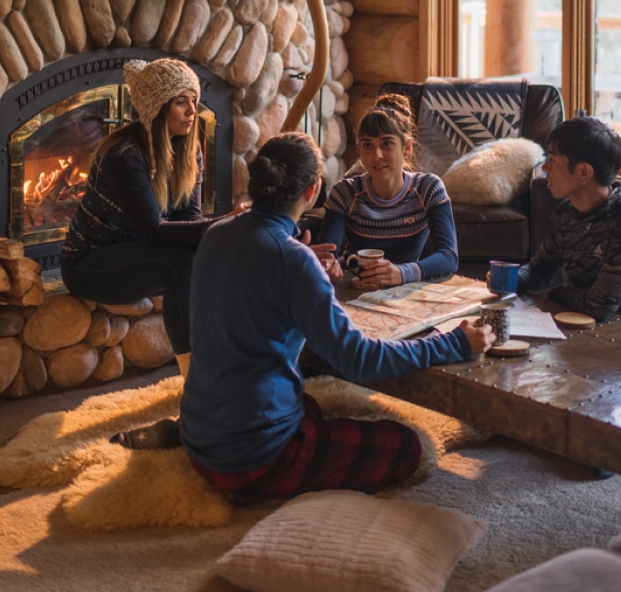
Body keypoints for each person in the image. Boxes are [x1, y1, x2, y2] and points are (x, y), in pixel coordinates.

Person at [112, 132, 495, 501]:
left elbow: (258, 270)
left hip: (200, 432)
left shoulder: (216, 234)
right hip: (254, 461)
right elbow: (358, 360)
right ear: (312, 190)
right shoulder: (292, 261)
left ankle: (191, 434)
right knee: (407, 447)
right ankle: (274, 462)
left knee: (309, 405)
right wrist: (453, 342)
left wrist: (300, 260)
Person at [61, 57, 216, 376]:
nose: (192, 111)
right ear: (158, 108)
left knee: (208, 253)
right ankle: (196, 378)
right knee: (181, 263)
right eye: (180, 102)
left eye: (195, 101)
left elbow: (189, 218)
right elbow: (155, 232)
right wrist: (222, 226)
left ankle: (229, 357)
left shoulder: (189, 150)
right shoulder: (124, 155)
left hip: (140, 257)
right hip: (90, 264)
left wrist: (222, 234)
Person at [517, 115, 621, 323]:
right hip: (583, 329)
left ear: (583, 172)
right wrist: (509, 279)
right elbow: (539, 271)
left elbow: (600, 306)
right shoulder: (564, 214)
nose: (545, 168)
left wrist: (557, 293)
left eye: (553, 159)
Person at [318, 93, 459, 288]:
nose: (377, 155)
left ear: (406, 147)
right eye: (368, 145)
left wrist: (401, 273)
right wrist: (328, 266)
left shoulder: (429, 189)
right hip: (356, 285)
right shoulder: (345, 193)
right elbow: (329, 255)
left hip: (406, 287)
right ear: (359, 151)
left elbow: (449, 257)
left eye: (387, 144)